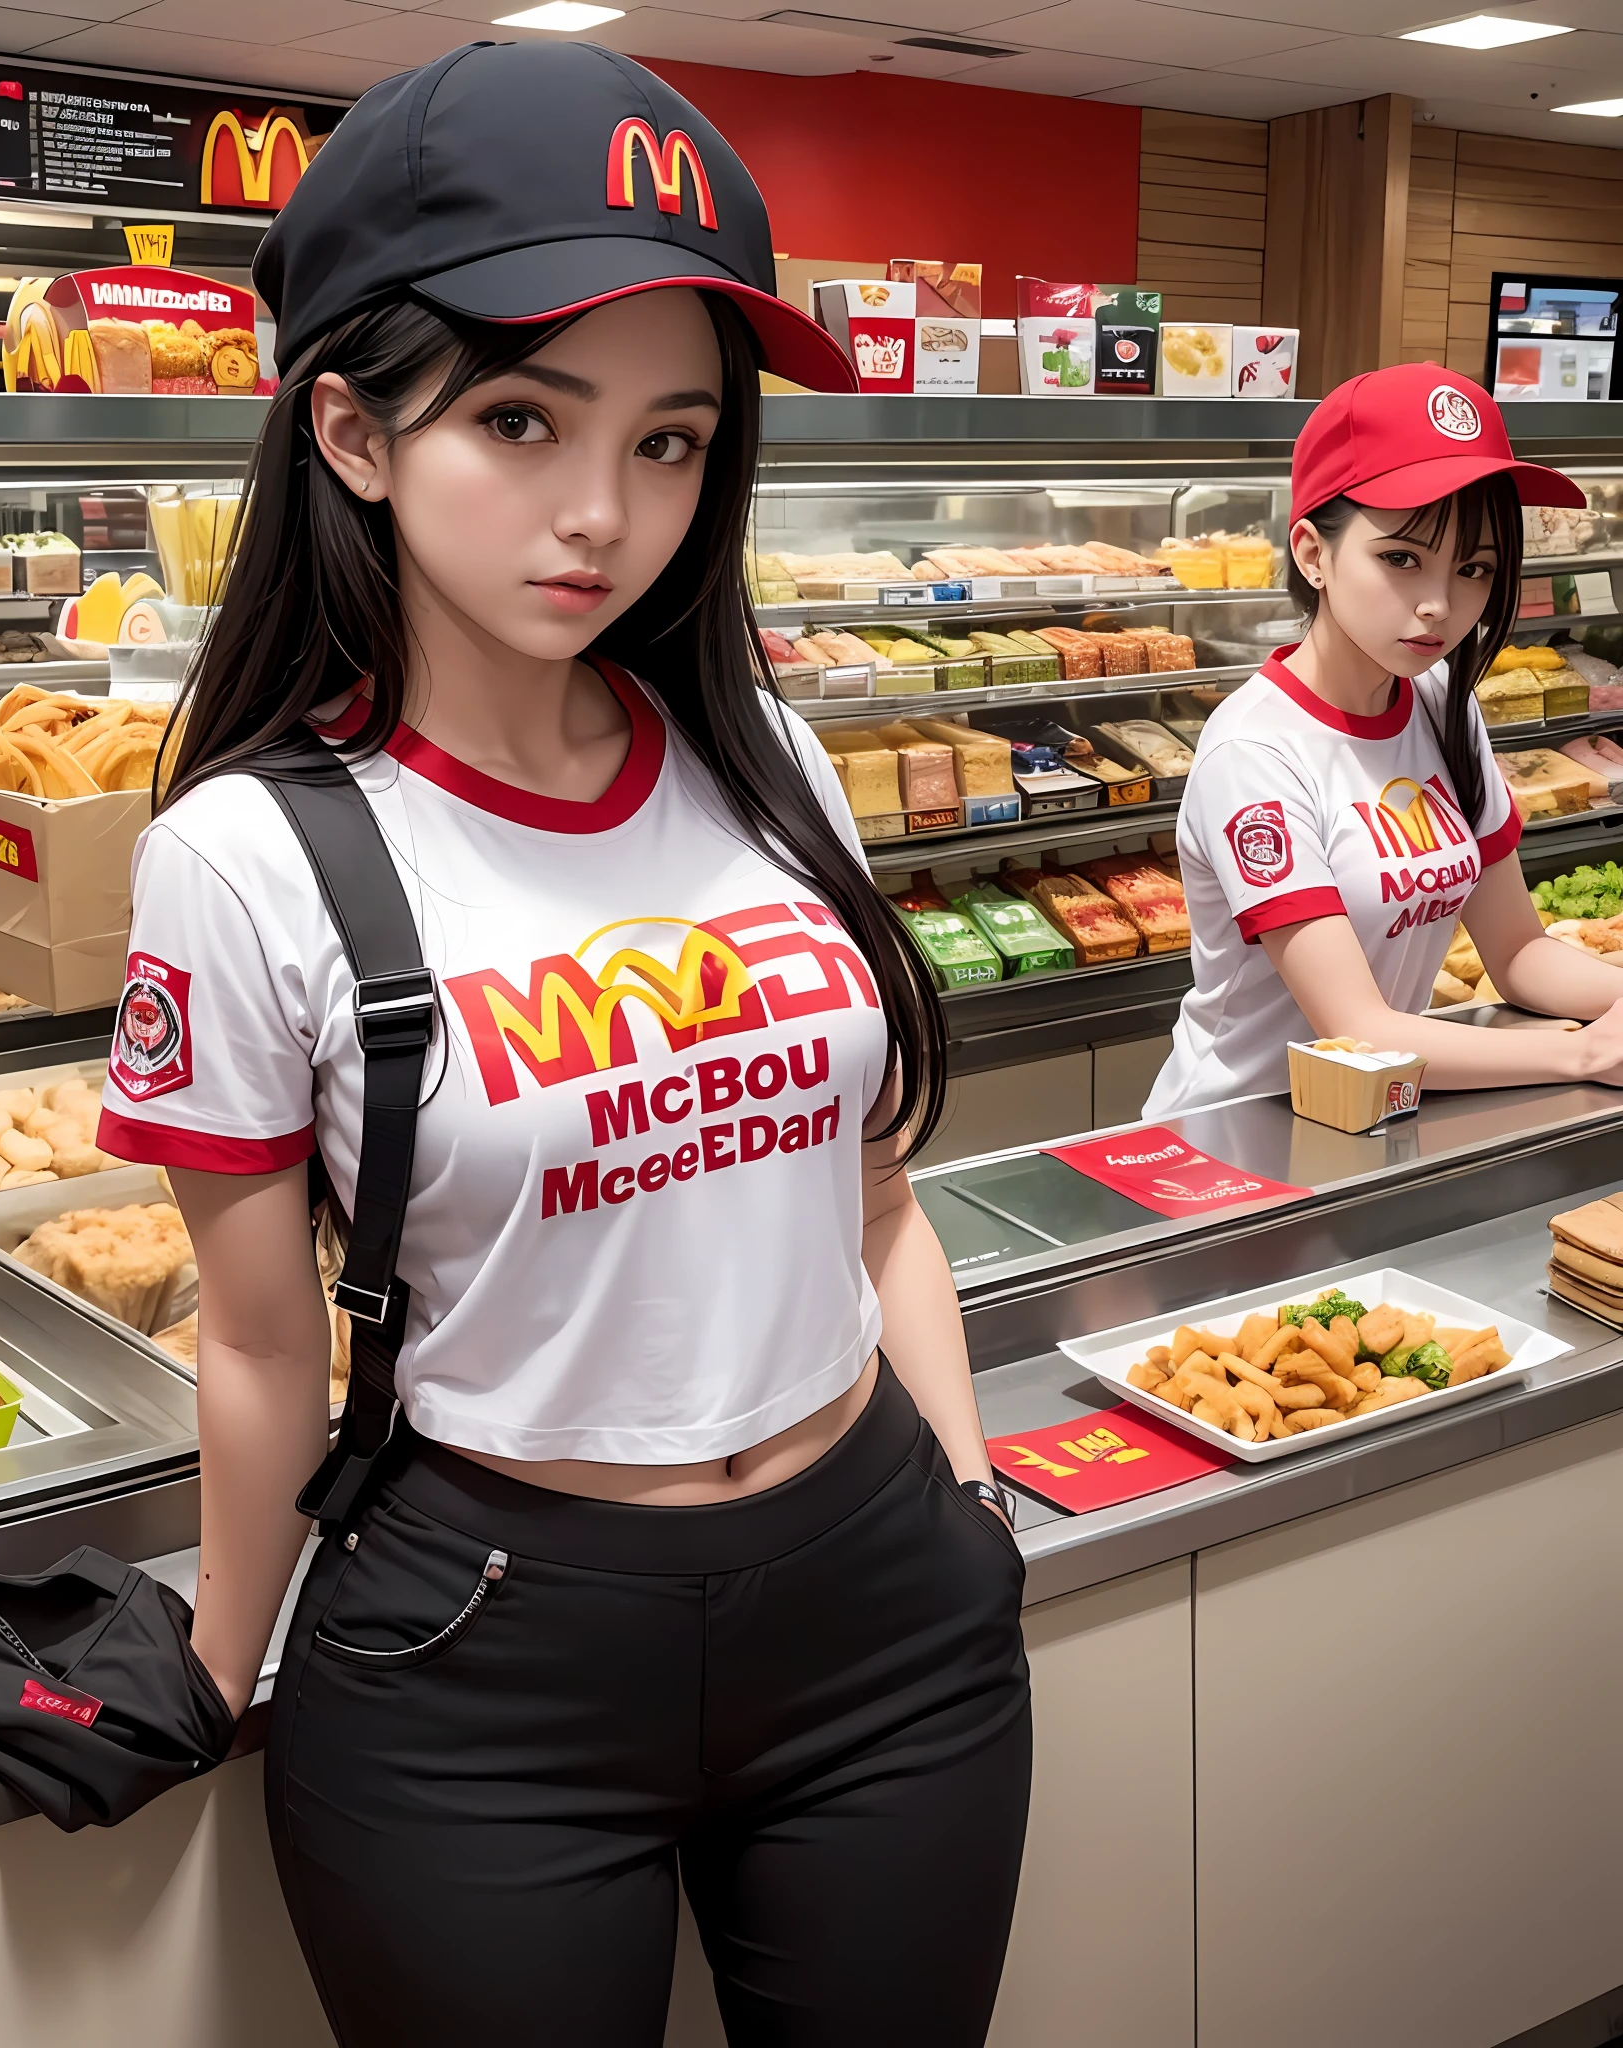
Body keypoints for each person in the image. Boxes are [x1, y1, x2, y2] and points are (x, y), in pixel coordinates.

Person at [94, 42, 1030, 2048]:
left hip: (881, 1610)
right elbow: (259, 1342)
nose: (604, 512)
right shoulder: (244, 858)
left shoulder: (772, 765)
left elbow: (875, 1206)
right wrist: (218, 1661)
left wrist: (967, 1502)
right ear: (347, 427)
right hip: (477, 1664)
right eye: (521, 417)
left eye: (675, 440)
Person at [1147, 363, 1623, 1118]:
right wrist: (1588, 1052)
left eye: (1474, 568)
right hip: (1237, 1135)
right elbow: (1358, 1033)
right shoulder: (1256, 754)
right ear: (1312, 553)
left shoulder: (1440, 704)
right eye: (1401, 558)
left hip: (1371, 1122)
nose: (1439, 604)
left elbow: (1519, 956)